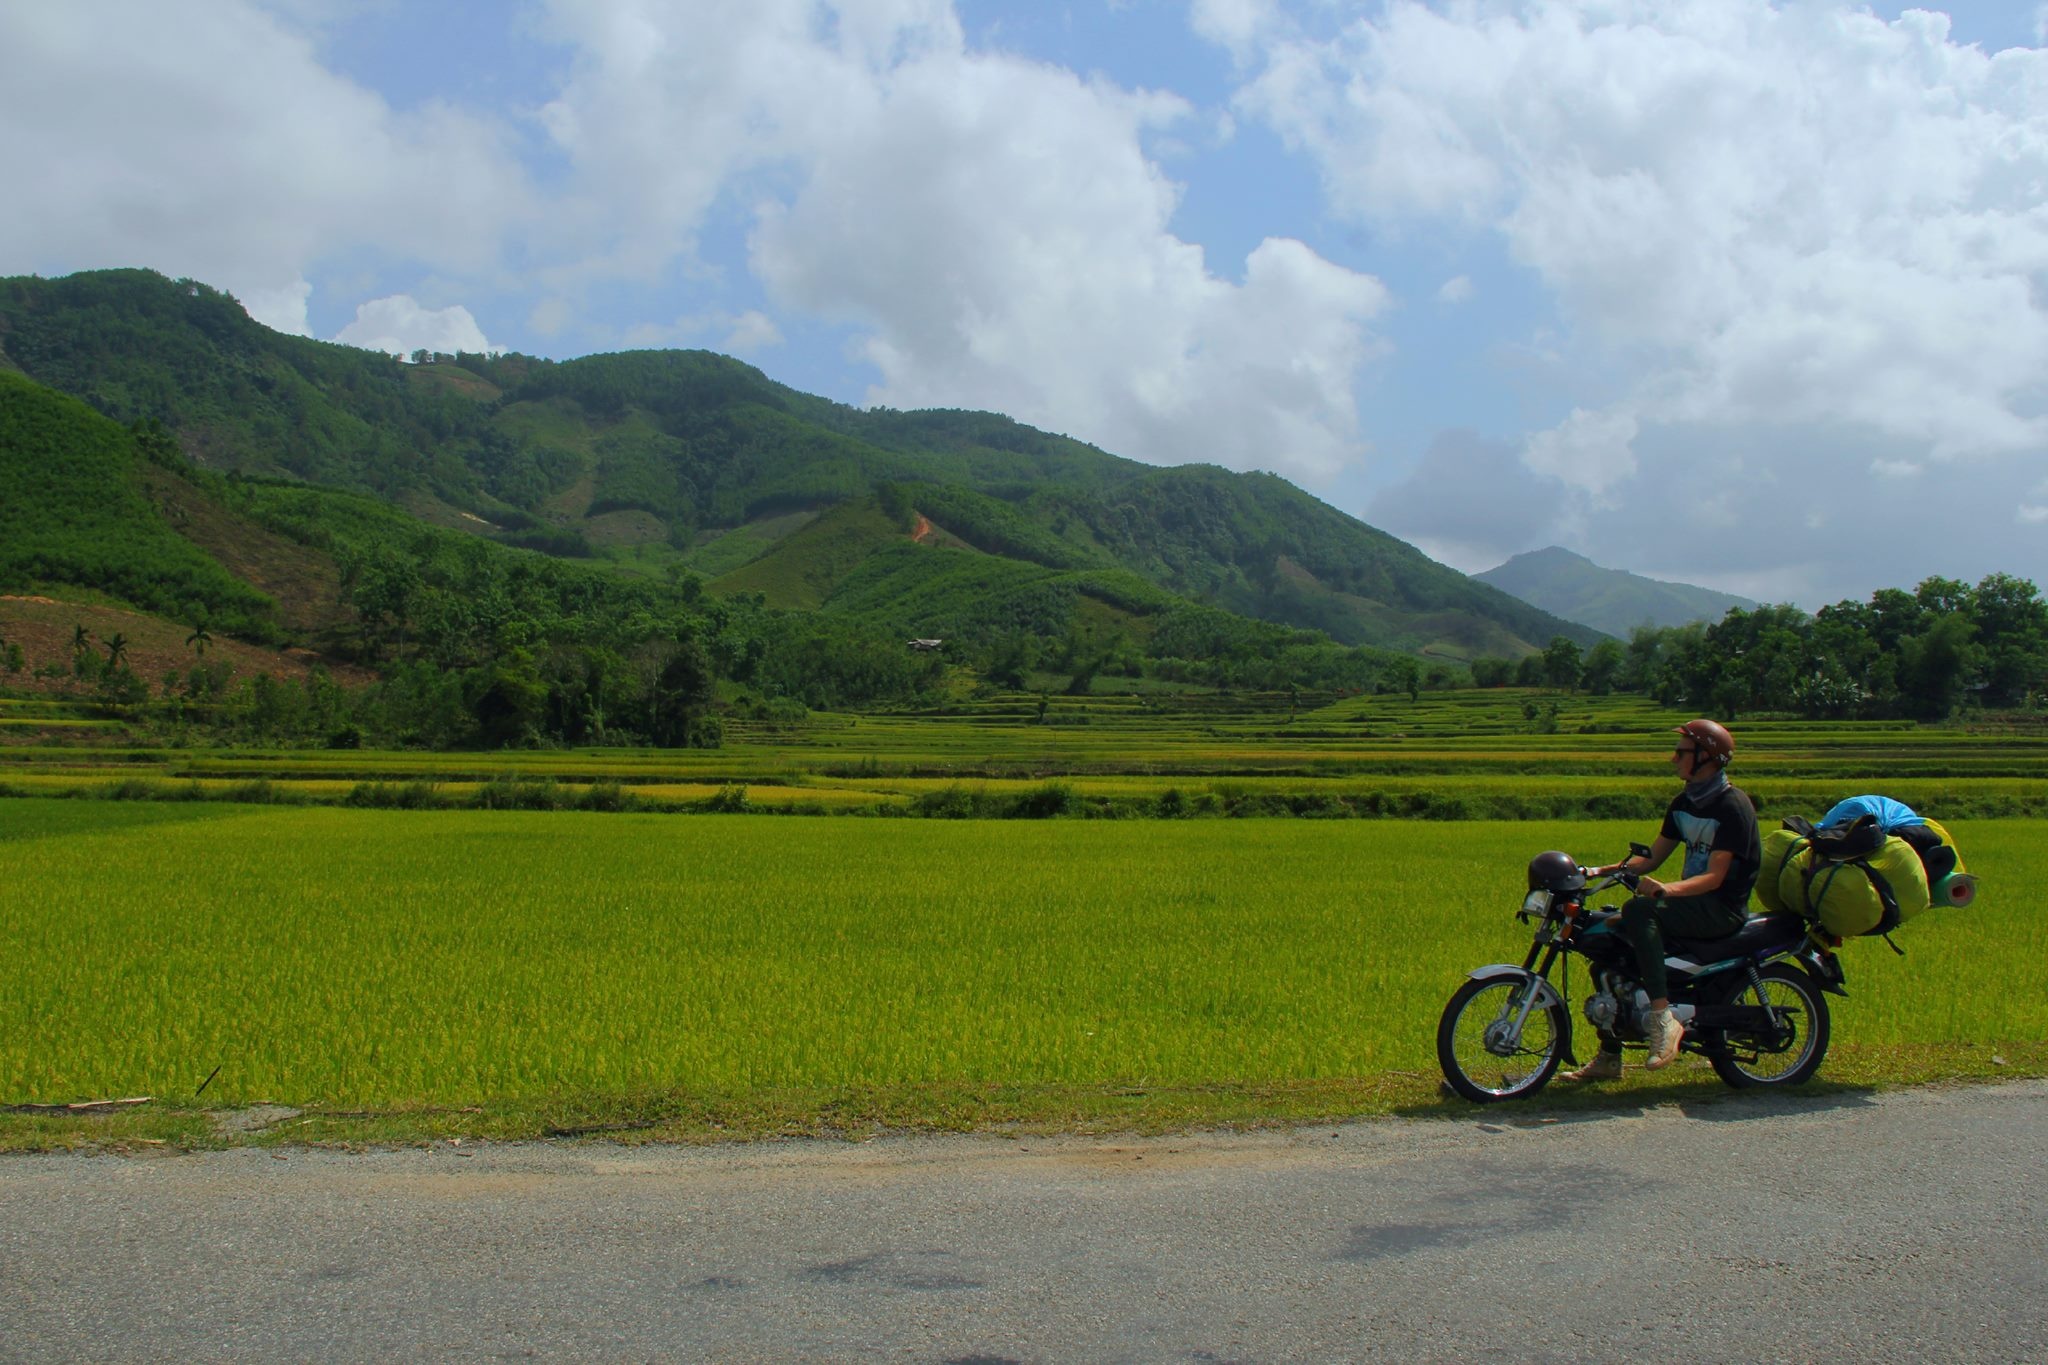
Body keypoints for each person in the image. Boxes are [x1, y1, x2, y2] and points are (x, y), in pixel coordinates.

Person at [1563, 719, 1762, 1080]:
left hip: (1721, 908)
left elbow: (1715, 877)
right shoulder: (1684, 802)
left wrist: (1666, 890)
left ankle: (1663, 1018)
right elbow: (1651, 858)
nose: (1673, 759)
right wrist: (1596, 872)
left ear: (1706, 758)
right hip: (1691, 904)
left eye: (1682, 753)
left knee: (1640, 910)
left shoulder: (1733, 806)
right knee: (1607, 957)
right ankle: (1610, 1057)